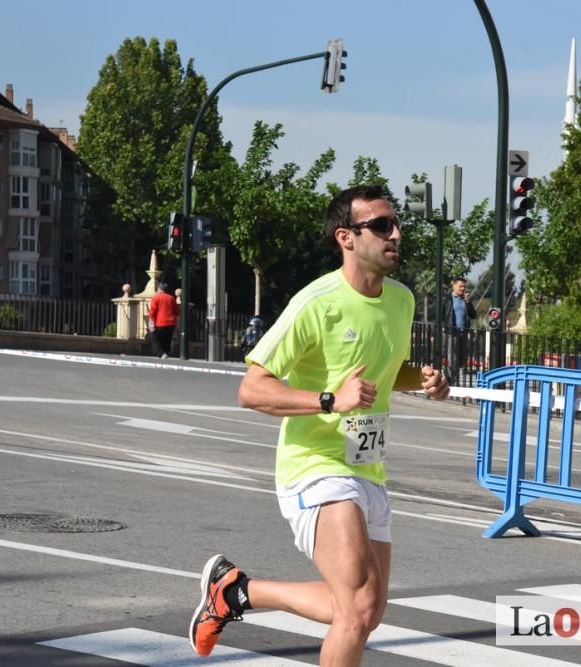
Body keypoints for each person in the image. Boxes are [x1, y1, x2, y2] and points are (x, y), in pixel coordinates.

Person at [189, 185, 450, 664]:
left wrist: (425, 380)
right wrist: (331, 400)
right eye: (380, 226)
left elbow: (384, 375)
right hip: (316, 467)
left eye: (395, 224)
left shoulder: (401, 300)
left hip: (367, 469)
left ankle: (235, 593)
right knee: (356, 610)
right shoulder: (316, 302)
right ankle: (232, 593)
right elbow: (253, 389)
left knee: (364, 610)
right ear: (345, 237)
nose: (395, 233)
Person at [442, 277, 476, 384]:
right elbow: (440, 315)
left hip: (463, 332)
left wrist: (469, 303)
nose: (463, 289)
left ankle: (448, 376)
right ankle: (453, 382)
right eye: (460, 286)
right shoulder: (447, 299)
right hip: (452, 332)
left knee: (462, 359)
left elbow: (473, 315)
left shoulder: (466, 300)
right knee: (453, 358)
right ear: (454, 286)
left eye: (464, 287)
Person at [147, 281, 179, 359]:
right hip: (171, 323)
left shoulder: (156, 298)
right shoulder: (171, 298)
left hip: (160, 323)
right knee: (167, 339)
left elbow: (152, 311)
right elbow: (177, 312)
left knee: (156, 339)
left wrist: (151, 321)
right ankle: (166, 352)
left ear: (159, 289)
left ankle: (161, 353)